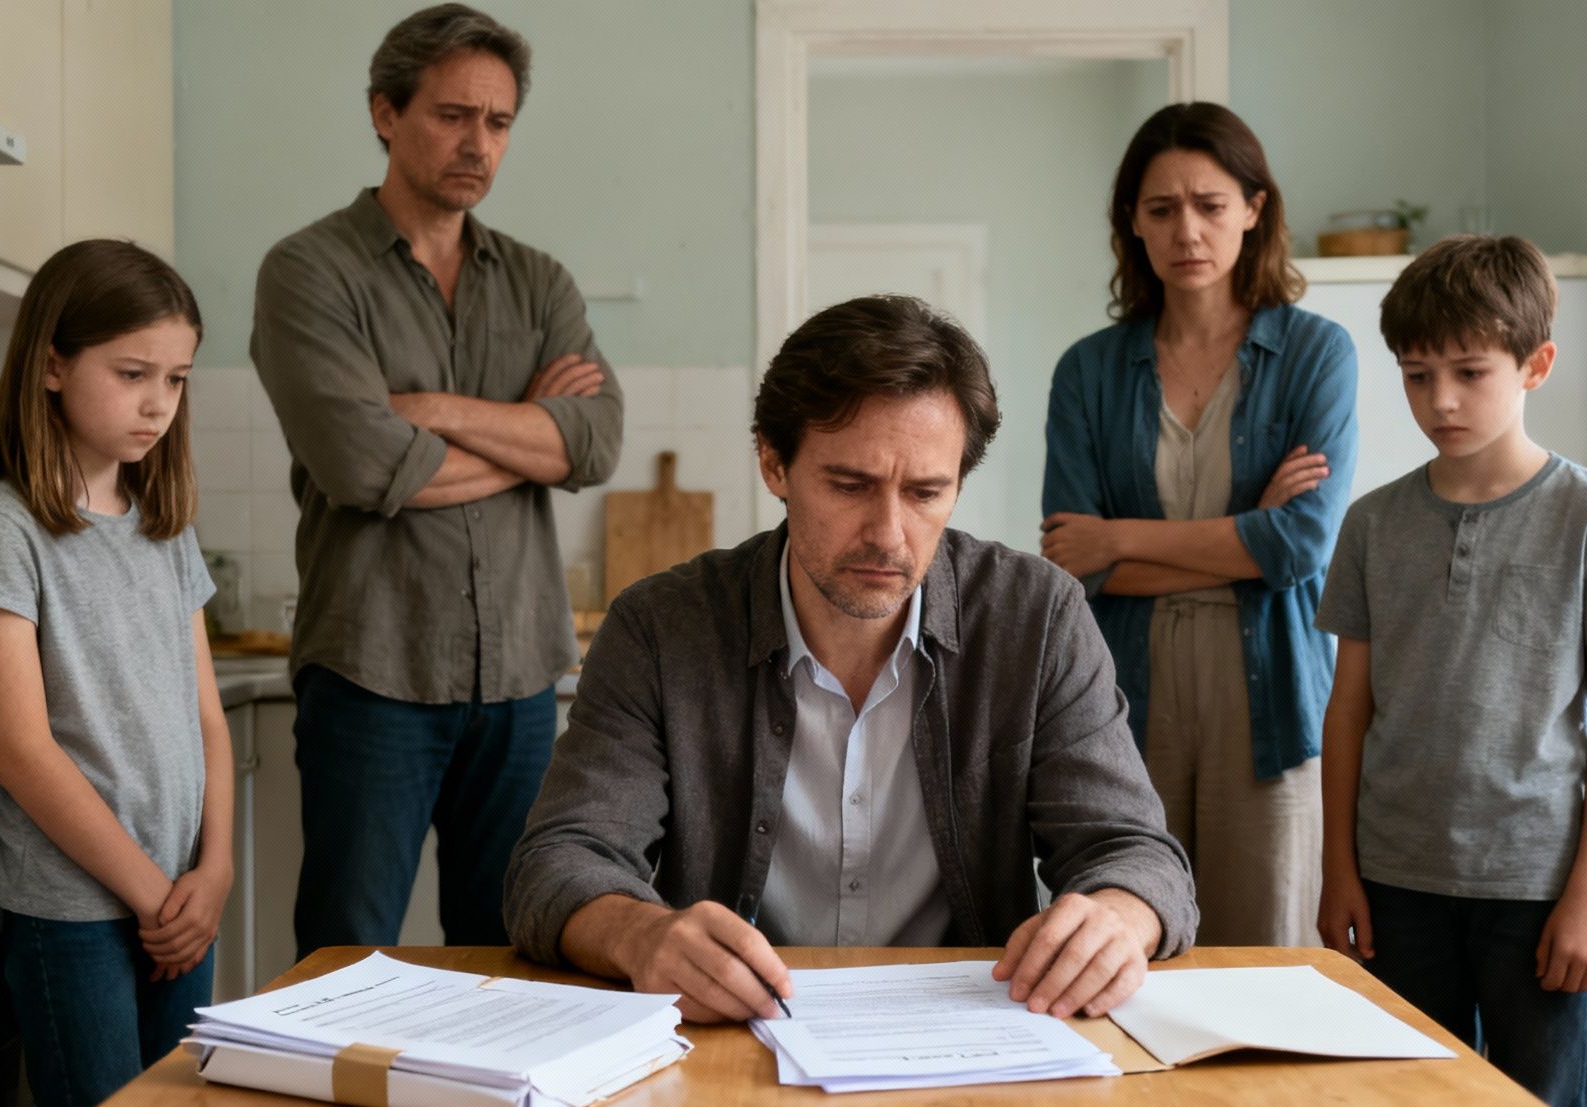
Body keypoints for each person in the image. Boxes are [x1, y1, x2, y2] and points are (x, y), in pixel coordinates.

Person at [506, 295, 1196, 1023]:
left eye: (926, 492)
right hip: (737, 1037)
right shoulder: (659, 628)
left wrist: (1120, 917)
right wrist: (641, 934)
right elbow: (558, 861)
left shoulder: (1039, 617)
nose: (889, 535)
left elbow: (1137, 854)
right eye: (849, 486)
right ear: (774, 464)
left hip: (971, 1039)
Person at [250, 4, 623, 954]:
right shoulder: (307, 272)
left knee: (520, 945)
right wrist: (527, 433)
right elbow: (362, 463)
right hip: (373, 669)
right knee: (347, 950)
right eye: (453, 115)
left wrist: (431, 410)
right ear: (385, 112)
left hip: (521, 683)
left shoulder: (540, 283)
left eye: (498, 123)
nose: (478, 144)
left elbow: (596, 443)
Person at [1315, 235, 1587, 1107]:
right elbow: (1348, 710)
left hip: (1537, 885)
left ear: (1535, 365)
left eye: (1469, 371)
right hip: (1395, 882)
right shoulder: (1371, 524)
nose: (1441, 400)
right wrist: (1337, 868)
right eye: (1417, 374)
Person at [1041, 102, 1357, 947]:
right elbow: (1077, 564)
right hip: (1123, 693)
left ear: (1255, 209)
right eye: (1161, 208)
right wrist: (1245, 533)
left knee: (1265, 949)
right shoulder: (1088, 371)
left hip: (1271, 693)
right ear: (1132, 225)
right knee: (1123, 943)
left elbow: (1299, 548)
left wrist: (1124, 537)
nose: (1188, 229)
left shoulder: (1318, 355)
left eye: (1211, 204)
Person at [0, 240, 228, 1107]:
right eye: (133, 372)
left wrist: (212, 873)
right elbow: (23, 751)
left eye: (176, 380)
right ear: (53, 365)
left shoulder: (166, 526)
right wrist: (151, 895)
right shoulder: (2, 527)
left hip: (181, 898)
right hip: (76, 912)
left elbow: (208, 719)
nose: (158, 403)